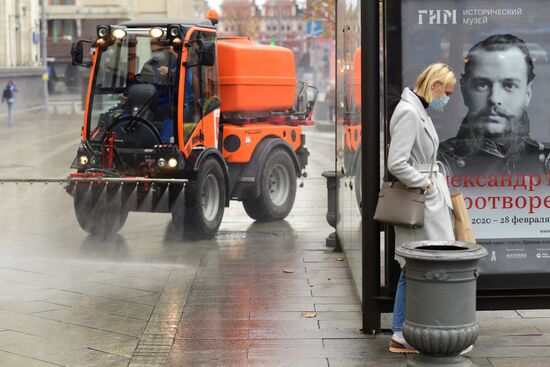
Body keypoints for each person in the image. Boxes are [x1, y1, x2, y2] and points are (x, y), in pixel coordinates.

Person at [387, 63, 457, 353]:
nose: (447, 98)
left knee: (422, 264)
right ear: (435, 86)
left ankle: (413, 327)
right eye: (447, 92)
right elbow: (396, 162)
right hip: (421, 200)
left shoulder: (416, 110)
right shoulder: (408, 113)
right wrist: (425, 184)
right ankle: (401, 332)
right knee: (414, 265)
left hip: (428, 197)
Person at [439, 34, 550, 175]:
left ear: (527, 93)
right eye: (482, 85)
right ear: (464, 91)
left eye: (509, 85)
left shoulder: (544, 163)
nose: (494, 98)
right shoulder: (442, 162)